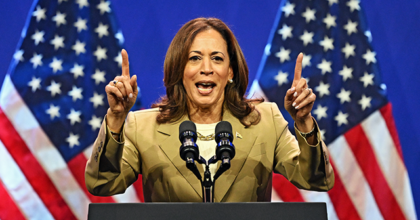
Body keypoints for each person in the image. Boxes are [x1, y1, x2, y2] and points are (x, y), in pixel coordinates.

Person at [85, 18, 334, 202]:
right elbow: (102, 183)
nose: (207, 68)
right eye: (194, 58)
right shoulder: (143, 127)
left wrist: (304, 123)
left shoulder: (265, 121)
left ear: (230, 72)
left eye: (217, 58)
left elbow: (317, 179)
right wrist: (116, 118)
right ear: (179, 70)